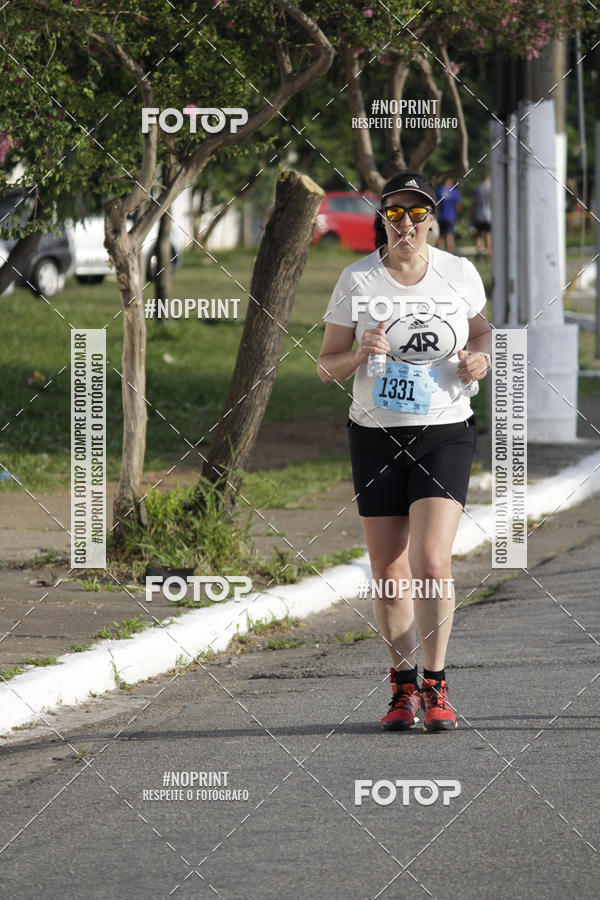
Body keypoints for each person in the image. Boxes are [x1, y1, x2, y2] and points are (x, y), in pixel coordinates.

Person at [317, 171, 492, 733]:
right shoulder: (357, 278)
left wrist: (479, 361)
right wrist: (359, 353)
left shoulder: (459, 272)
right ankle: (402, 688)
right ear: (382, 219)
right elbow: (326, 365)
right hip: (375, 435)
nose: (408, 225)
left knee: (431, 562)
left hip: (444, 430)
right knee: (389, 571)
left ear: (433, 219)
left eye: (419, 215)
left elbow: (483, 334)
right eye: (397, 214)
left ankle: (437, 685)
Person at [436, 176, 462, 253]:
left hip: (441, 216)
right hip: (450, 216)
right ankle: (449, 252)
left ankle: (440, 252)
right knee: (449, 234)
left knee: (440, 235)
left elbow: (436, 204)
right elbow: (458, 205)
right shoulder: (454, 191)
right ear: (450, 182)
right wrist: (457, 215)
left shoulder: (439, 190)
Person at [471, 174, 492, 258]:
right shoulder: (492, 188)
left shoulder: (478, 188)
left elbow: (474, 203)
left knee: (479, 234)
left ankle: (480, 251)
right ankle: (489, 252)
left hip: (479, 213)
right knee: (488, 234)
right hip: (490, 214)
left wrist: (471, 214)